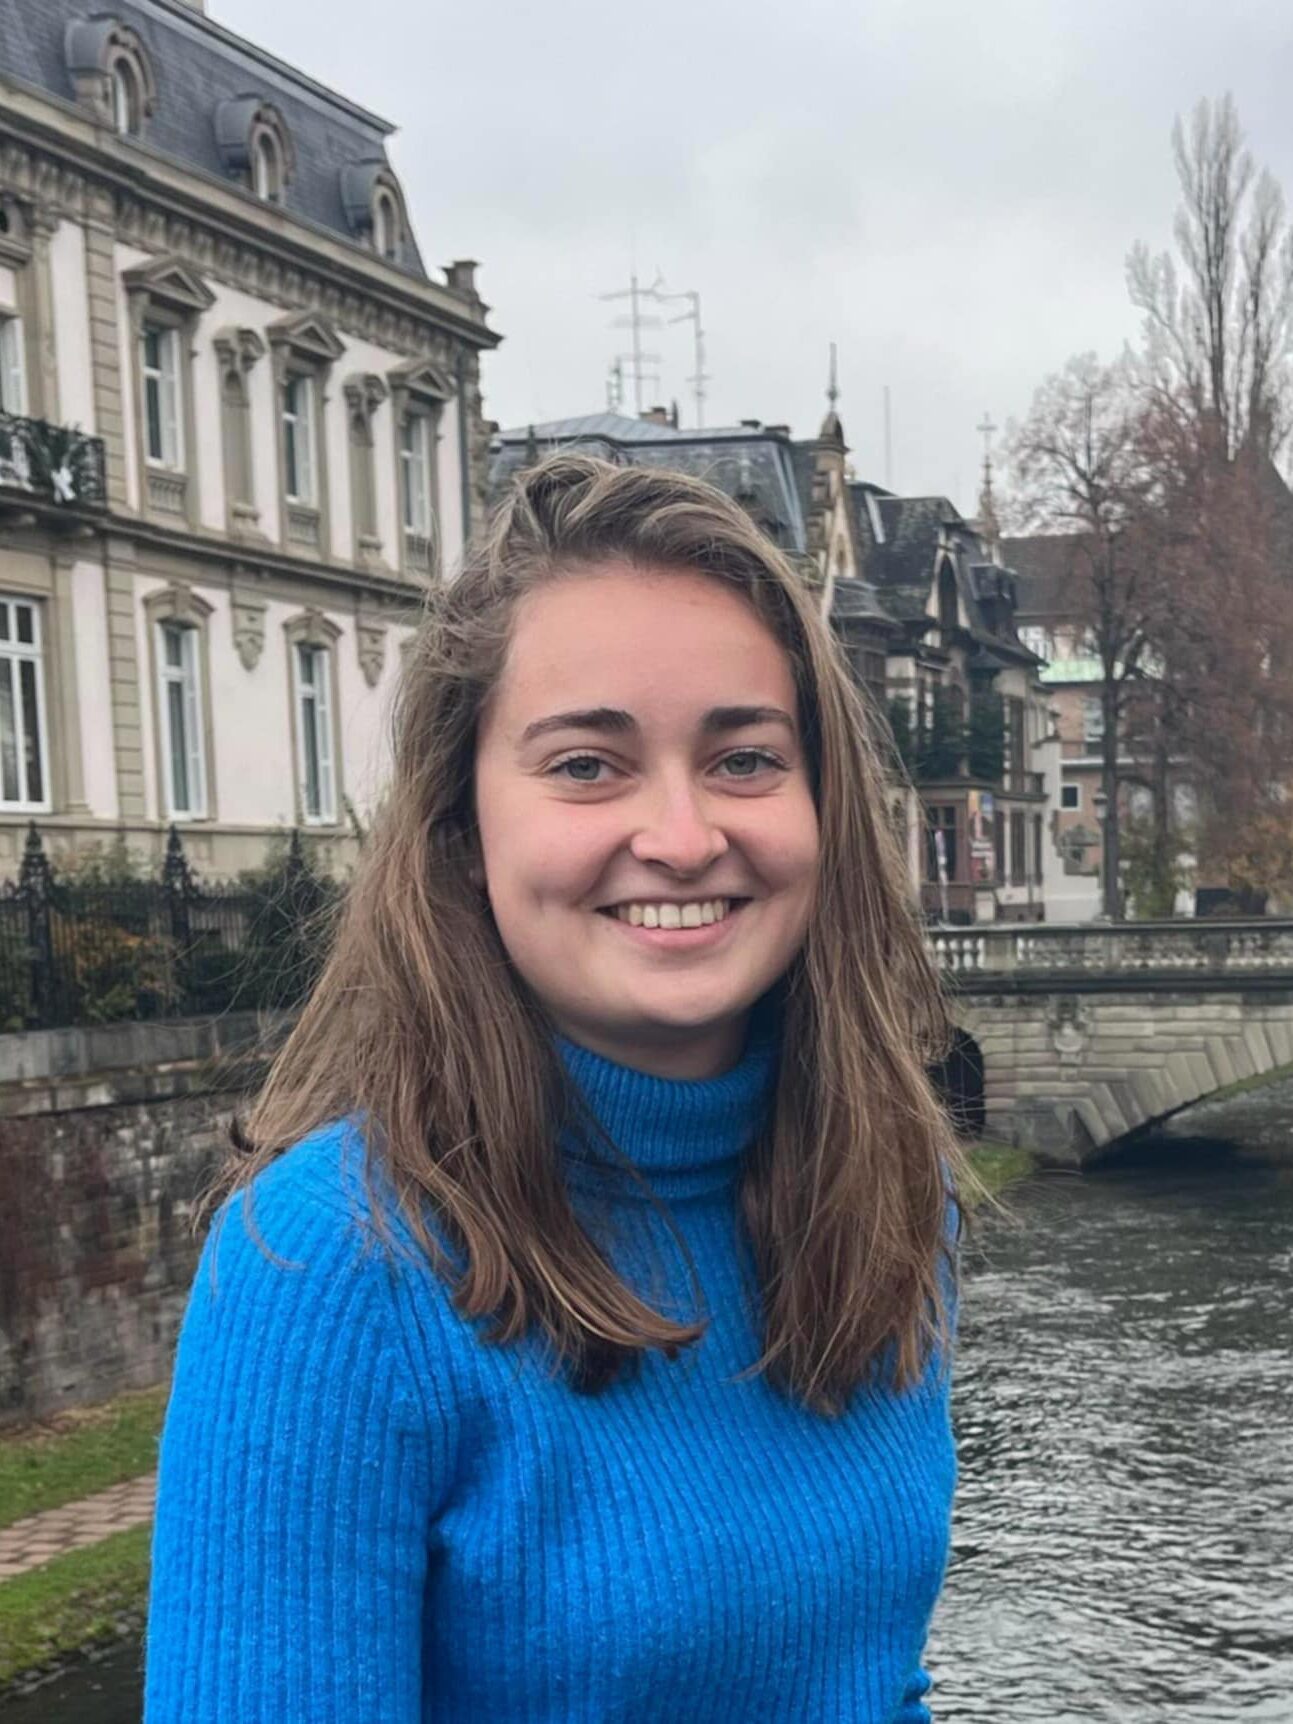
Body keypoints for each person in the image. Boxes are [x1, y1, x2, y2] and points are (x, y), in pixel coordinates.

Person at [144, 453, 970, 1722]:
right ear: (462, 832)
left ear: (823, 804)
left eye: (745, 758)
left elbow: (868, 1680)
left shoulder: (890, 1192)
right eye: (587, 765)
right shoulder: (331, 1268)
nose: (684, 836)